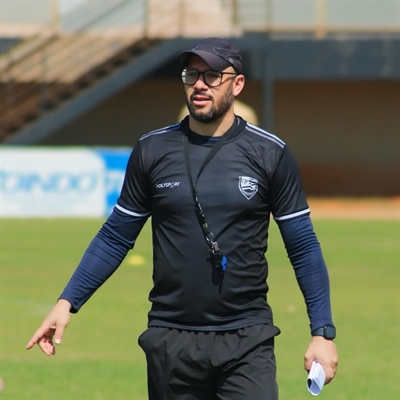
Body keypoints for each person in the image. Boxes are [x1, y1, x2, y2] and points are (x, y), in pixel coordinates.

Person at [26, 37, 338, 400]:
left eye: (212, 75)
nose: (200, 84)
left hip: (247, 339)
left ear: (237, 84)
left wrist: (322, 332)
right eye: (192, 74)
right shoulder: (152, 150)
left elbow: (302, 246)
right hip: (170, 338)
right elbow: (115, 237)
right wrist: (67, 302)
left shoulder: (270, 153)